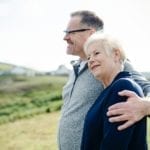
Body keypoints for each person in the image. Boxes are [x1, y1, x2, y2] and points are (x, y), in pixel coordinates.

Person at [58, 10, 150, 150]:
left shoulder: (114, 63)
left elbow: (143, 87)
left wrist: (145, 106)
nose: (65, 37)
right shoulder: (76, 68)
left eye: (70, 32)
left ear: (90, 33)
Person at [81, 32, 147, 150]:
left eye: (96, 53)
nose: (90, 60)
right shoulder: (107, 92)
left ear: (116, 55)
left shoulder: (122, 87)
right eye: (88, 57)